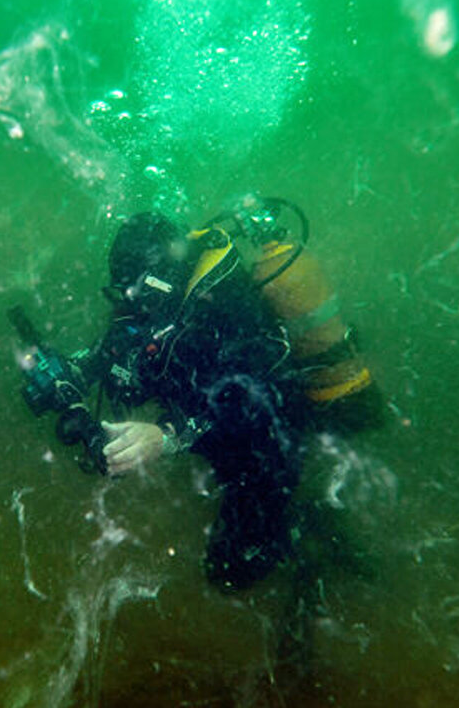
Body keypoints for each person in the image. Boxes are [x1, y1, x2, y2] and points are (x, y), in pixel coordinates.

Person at [24, 196, 383, 591]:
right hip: (208, 431)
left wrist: (166, 436)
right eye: (123, 292)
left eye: (136, 292)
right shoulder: (147, 300)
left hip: (264, 441)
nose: (128, 304)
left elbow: (248, 390)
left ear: (162, 279)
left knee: (228, 573)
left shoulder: (228, 305)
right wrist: (68, 372)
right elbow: (112, 348)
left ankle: (308, 533)